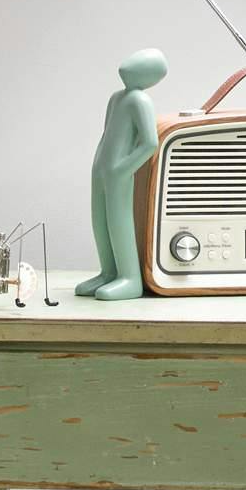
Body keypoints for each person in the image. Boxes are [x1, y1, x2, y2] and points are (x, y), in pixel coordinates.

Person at [80, 48, 167, 302]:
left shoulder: (140, 100)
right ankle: (108, 272)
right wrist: (97, 164)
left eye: (141, 62)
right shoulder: (116, 98)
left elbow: (150, 143)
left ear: (150, 76)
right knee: (100, 221)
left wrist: (124, 168)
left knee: (119, 222)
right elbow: (106, 134)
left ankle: (129, 278)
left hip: (118, 172)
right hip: (101, 170)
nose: (129, 63)